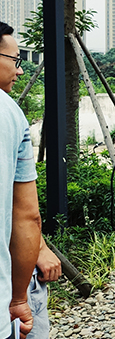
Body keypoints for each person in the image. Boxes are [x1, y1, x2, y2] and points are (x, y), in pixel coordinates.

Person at [0, 21, 42, 339]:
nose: (21, 70)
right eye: (15, 60)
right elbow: (27, 216)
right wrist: (18, 298)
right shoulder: (10, 114)